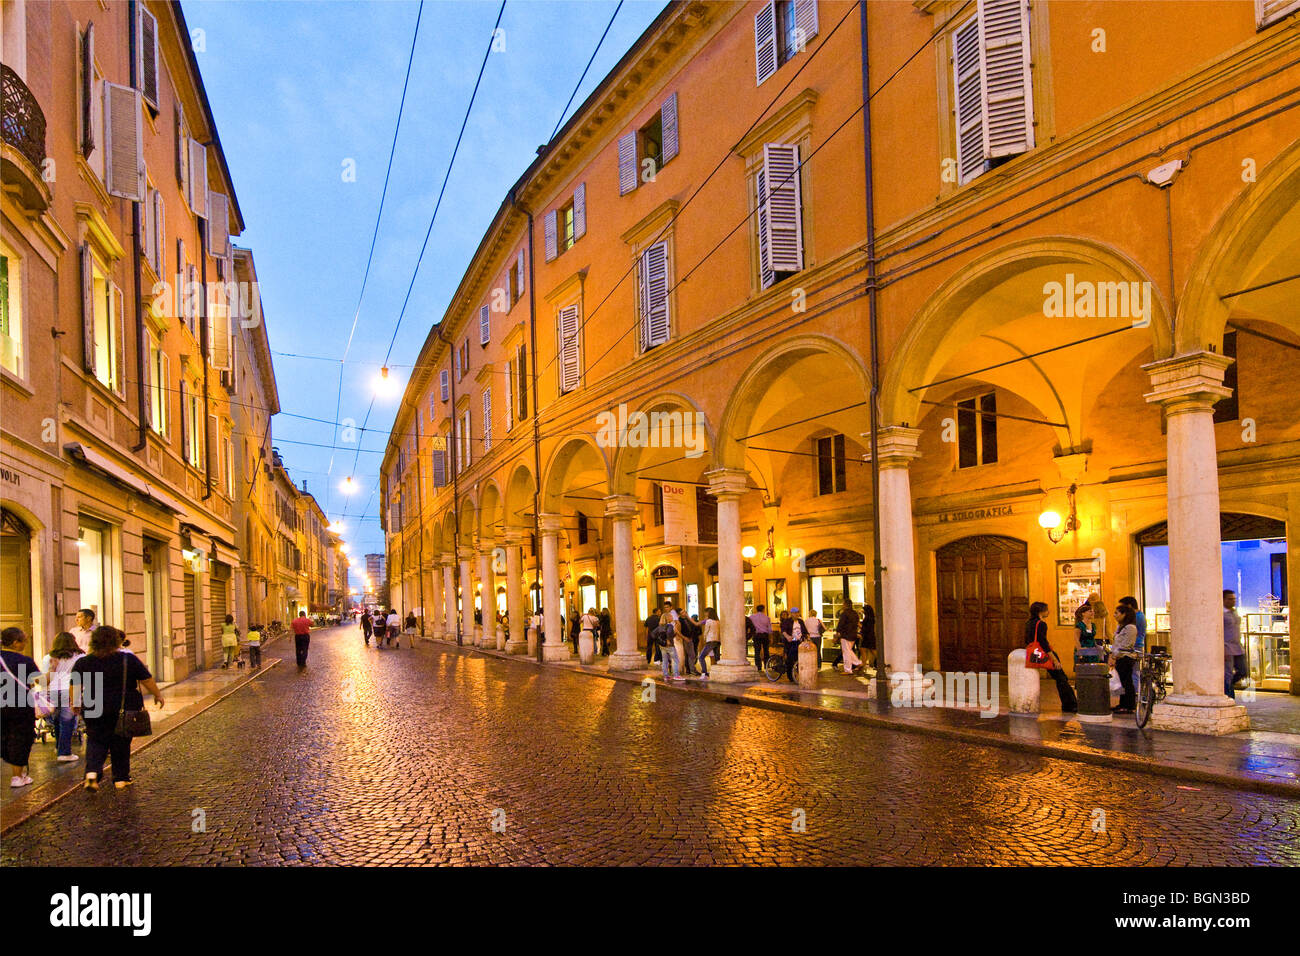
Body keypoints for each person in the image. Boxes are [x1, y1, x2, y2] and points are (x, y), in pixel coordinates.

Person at [72, 626, 164, 790]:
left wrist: (75, 704)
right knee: (121, 741)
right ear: (116, 640)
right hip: (124, 705)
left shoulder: (84, 661)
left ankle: (92, 773)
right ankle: (121, 778)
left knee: (95, 739)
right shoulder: (127, 659)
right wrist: (158, 694)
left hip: (94, 705)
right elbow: (146, 679)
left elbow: (75, 685)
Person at [1, 627, 41, 787]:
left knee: (3, 735)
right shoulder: (25, 661)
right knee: (21, 738)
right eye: (24, 641)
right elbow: (39, 681)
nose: (25, 644)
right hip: (21, 705)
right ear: (16, 642)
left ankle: (18, 771)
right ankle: (17, 776)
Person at [1025, 602, 1077, 712]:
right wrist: (1054, 659)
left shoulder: (1029, 623)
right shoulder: (1041, 624)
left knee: (1060, 678)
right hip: (1045, 653)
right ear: (1041, 611)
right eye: (1046, 609)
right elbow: (1043, 643)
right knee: (1061, 678)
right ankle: (1070, 704)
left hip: (1034, 652)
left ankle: (1069, 704)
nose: (1048, 612)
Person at [42, 632, 84, 763]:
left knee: (57, 721)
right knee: (67, 722)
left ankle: (59, 747)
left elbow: (45, 680)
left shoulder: (48, 657)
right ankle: (64, 752)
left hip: (53, 690)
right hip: (71, 689)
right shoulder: (80, 657)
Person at [1111, 604, 1139, 714]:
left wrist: (1115, 655)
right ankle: (1122, 703)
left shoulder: (1130, 628)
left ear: (1124, 614)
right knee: (1122, 681)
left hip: (1126, 657)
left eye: (1117, 613)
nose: (1115, 615)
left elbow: (1126, 645)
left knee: (1127, 681)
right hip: (1119, 657)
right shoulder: (1121, 627)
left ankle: (1129, 705)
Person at [1223, 590, 1248, 699]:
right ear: (1223, 600)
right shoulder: (1221, 614)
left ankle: (1227, 687)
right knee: (1227, 674)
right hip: (1227, 647)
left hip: (1238, 647)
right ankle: (1229, 695)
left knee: (1243, 671)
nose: (1233, 601)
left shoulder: (1234, 612)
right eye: (1230, 599)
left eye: (1234, 599)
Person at [655, 612, 683, 682]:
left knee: (665, 661)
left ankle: (666, 675)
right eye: (671, 616)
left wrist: (660, 641)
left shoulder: (660, 626)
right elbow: (669, 633)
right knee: (675, 660)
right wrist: (668, 639)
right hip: (670, 646)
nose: (672, 617)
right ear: (668, 618)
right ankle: (676, 675)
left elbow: (653, 634)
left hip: (662, 646)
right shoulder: (669, 626)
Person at [783, 608, 809, 683]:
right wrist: (788, 637)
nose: (796, 614)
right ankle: (790, 676)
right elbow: (783, 631)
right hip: (790, 642)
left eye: (798, 613)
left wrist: (807, 637)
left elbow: (804, 631)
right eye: (795, 613)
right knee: (790, 659)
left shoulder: (800, 621)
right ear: (791, 614)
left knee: (800, 658)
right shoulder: (787, 621)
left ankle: (799, 673)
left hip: (799, 641)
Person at [835, 603, 861, 672]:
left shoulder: (844, 614)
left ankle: (848, 669)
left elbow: (841, 624)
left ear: (845, 605)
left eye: (843, 604)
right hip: (853, 634)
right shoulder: (855, 613)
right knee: (848, 650)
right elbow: (857, 623)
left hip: (845, 635)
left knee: (846, 652)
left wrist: (837, 632)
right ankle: (858, 662)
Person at [697, 608, 721, 679]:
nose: (705, 614)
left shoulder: (709, 621)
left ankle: (704, 673)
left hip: (710, 641)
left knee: (701, 657)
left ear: (709, 613)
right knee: (717, 658)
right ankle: (717, 673)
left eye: (706, 612)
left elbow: (706, 631)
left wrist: (704, 639)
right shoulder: (718, 621)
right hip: (717, 641)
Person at [748, 604, 772, 673]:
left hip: (757, 635)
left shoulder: (752, 617)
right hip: (765, 635)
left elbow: (748, 622)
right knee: (766, 651)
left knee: (757, 651)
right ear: (763, 609)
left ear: (756, 609)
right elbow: (769, 629)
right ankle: (766, 665)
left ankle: (758, 667)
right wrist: (771, 637)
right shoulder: (767, 618)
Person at [859, 602, 877, 669]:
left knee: (869, 650)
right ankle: (863, 663)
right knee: (866, 649)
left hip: (868, 636)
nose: (863, 611)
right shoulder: (871, 618)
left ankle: (863, 663)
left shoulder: (868, 619)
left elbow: (865, 628)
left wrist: (859, 624)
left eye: (864, 610)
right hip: (870, 636)